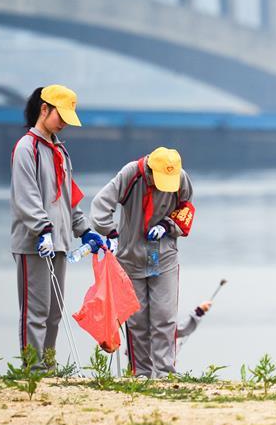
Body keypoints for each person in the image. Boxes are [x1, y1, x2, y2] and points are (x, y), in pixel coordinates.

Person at [10, 85, 104, 369]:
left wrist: (84, 229)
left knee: (53, 313)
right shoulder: (27, 148)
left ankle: (48, 366)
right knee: (35, 311)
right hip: (35, 242)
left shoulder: (59, 150)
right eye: (59, 115)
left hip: (60, 243)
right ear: (44, 109)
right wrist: (43, 230)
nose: (63, 123)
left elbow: (68, 198)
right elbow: (26, 197)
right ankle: (33, 369)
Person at [90, 147, 195, 378]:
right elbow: (100, 204)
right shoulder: (131, 174)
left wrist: (168, 225)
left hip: (164, 255)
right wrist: (111, 233)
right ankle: (141, 372)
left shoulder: (180, 177)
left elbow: (186, 207)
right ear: (150, 170)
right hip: (131, 257)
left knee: (164, 316)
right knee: (137, 319)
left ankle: (165, 371)